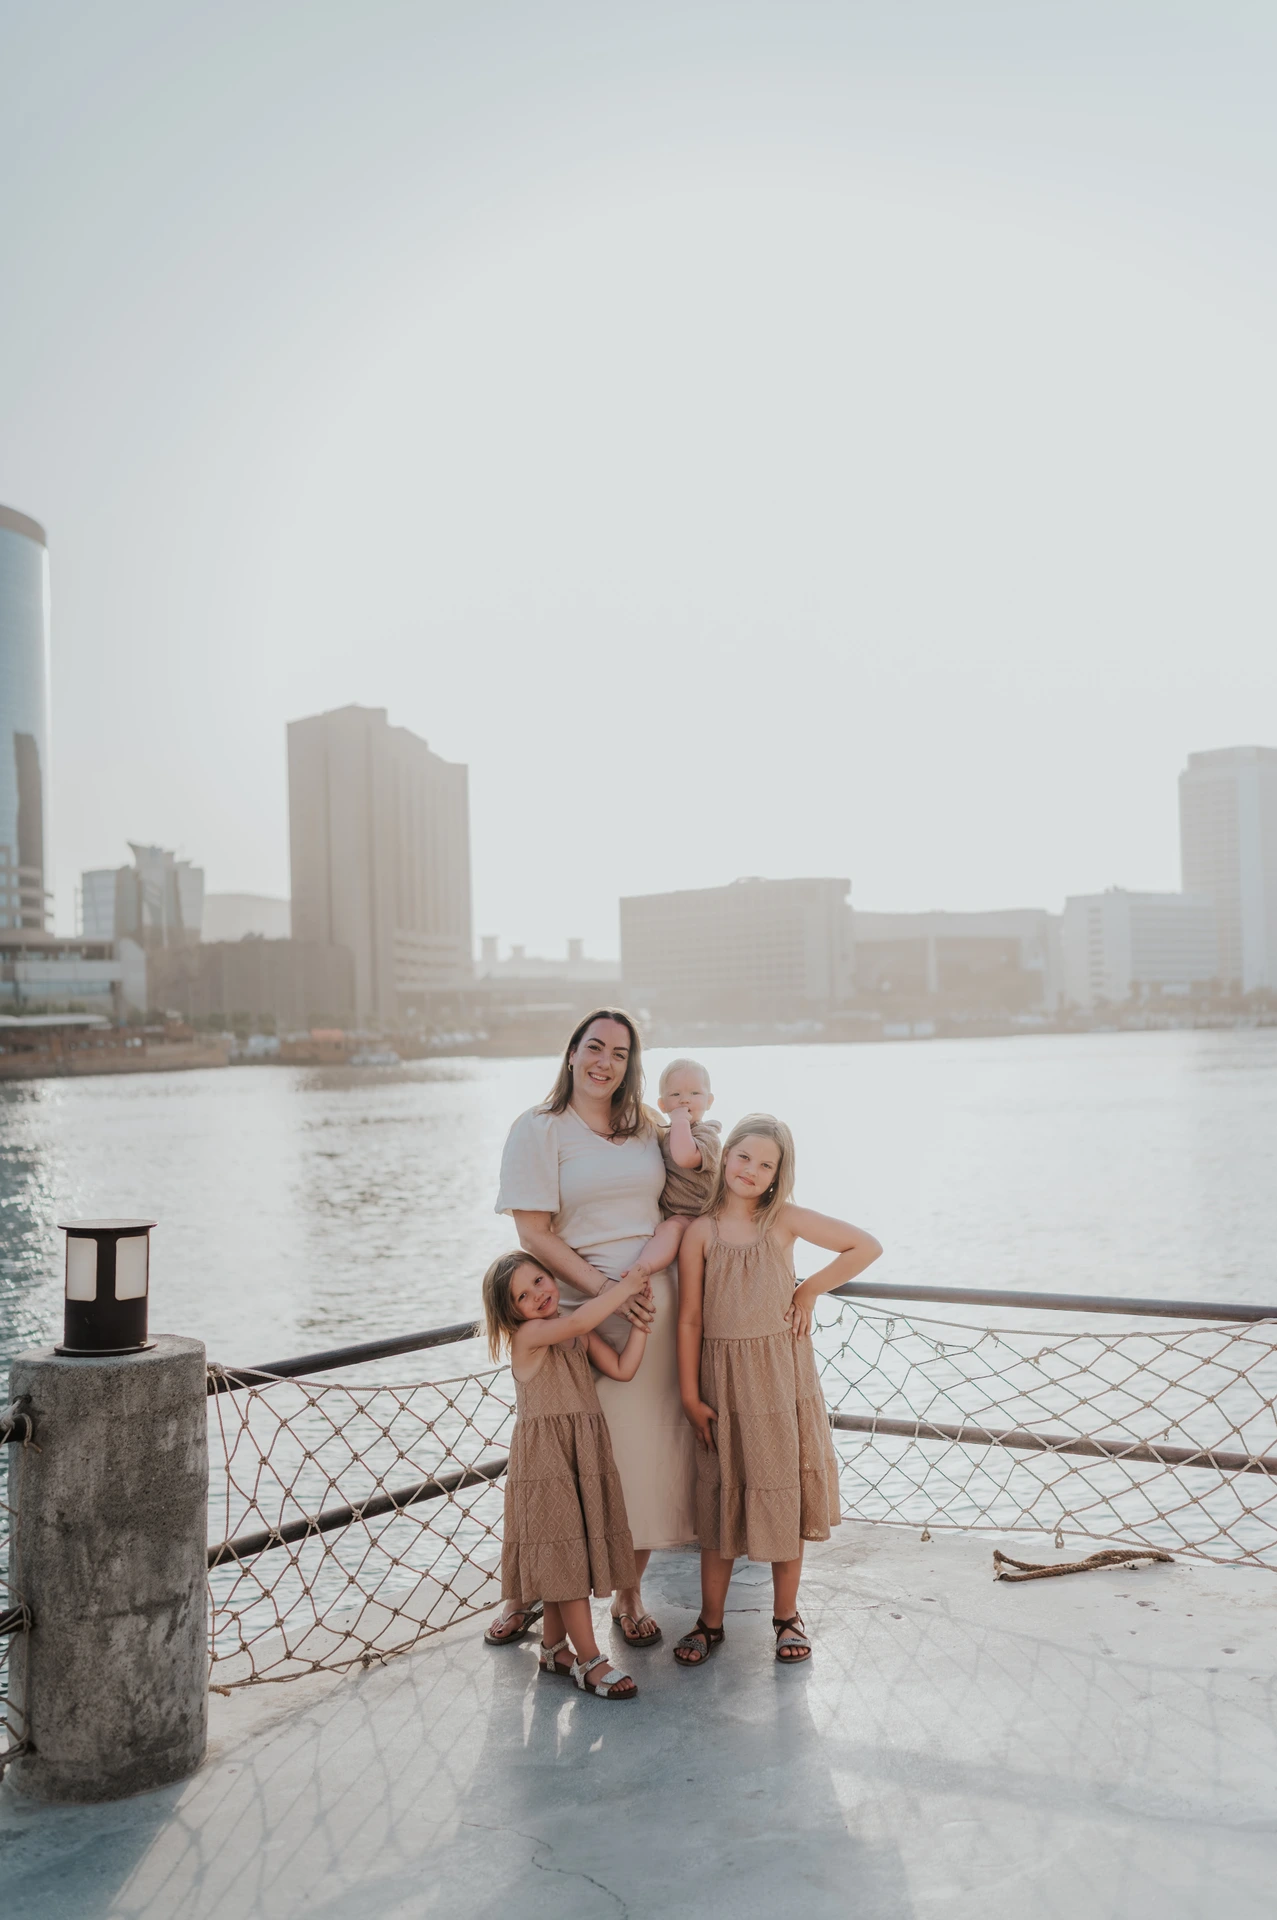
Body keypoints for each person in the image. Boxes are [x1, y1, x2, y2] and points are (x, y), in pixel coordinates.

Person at [488, 1010, 697, 1652]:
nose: (605, 1061)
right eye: (594, 1047)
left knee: (645, 1459)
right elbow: (532, 1232)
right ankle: (526, 1594)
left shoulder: (647, 1130)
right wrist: (605, 1294)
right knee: (565, 1463)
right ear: (573, 1053)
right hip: (579, 1314)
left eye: (620, 1051)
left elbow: (686, 1196)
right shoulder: (539, 1129)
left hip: (652, 1312)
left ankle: (630, 1594)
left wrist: (645, 1274)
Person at [674, 1113, 883, 1668]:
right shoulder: (701, 1231)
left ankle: (786, 1616)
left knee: (781, 1495)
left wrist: (809, 1289)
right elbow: (690, 1319)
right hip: (722, 1380)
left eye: (766, 1164)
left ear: (777, 1175)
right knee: (721, 1498)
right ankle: (709, 1621)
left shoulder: (783, 1220)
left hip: (780, 1378)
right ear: (726, 1158)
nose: (751, 1170)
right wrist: (690, 1394)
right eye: (743, 1157)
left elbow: (864, 1246)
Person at [482, 1250, 649, 1700]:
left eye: (539, 1281)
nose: (537, 1294)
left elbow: (622, 1368)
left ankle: (554, 1650)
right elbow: (575, 1323)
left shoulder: (577, 1332)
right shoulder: (532, 1336)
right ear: (511, 1312)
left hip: (583, 1453)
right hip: (546, 1462)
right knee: (565, 1558)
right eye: (522, 1295)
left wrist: (641, 1324)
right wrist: (625, 1289)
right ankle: (591, 1658)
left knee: (564, 1555)